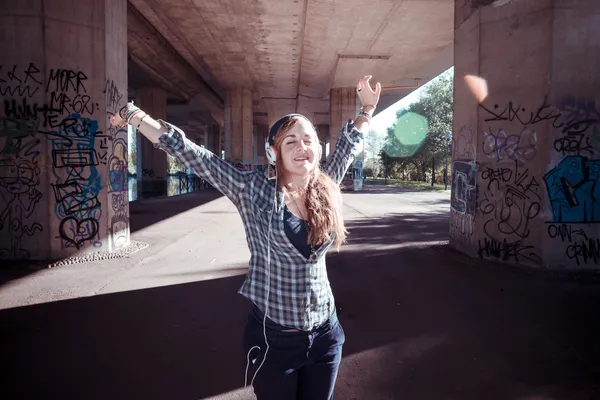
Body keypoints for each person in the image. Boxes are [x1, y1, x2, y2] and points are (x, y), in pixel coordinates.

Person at [110, 75, 381, 399]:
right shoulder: (253, 190)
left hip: (326, 336)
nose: (301, 147)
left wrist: (366, 109)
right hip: (274, 341)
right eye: (290, 140)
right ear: (275, 152)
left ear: (316, 151)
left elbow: (347, 147)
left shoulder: (326, 186)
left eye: (308, 139)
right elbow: (193, 155)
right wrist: (135, 117)